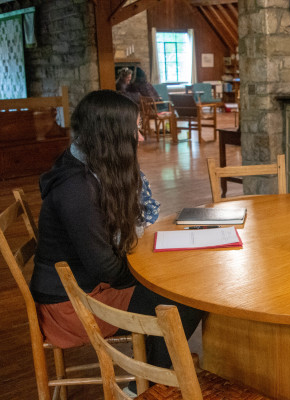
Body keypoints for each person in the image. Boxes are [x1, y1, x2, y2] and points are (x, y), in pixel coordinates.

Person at [31, 90, 203, 396]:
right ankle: (154, 388)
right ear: (110, 136)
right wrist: (152, 276)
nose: (139, 137)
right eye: (134, 130)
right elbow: (105, 268)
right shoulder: (76, 190)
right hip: (70, 306)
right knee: (182, 301)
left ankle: (147, 380)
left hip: (82, 287)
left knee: (170, 291)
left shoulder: (84, 165)